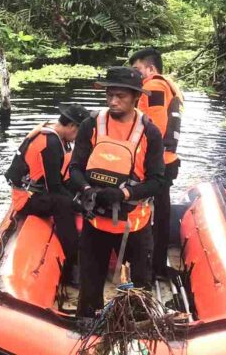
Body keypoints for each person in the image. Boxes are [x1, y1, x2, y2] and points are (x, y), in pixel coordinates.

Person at [69, 67, 165, 318]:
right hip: (96, 223)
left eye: (120, 96)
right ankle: (87, 324)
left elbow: (157, 181)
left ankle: (138, 324)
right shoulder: (91, 125)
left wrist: (123, 195)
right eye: (109, 95)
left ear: (136, 97)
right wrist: (87, 189)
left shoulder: (150, 133)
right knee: (90, 286)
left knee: (139, 286)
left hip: (133, 226)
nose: (113, 101)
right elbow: (76, 168)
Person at [5, 104, 91, 283]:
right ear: (73, 127)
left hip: (39, 189)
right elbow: (54, 187)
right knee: (62, 204)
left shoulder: (53, 131)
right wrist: (79, 205)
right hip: (27, 198)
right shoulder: (50, 143)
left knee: (74, 188)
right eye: (79, 133)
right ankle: (73, 265)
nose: (78, 139)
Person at [130, 48, 183, 279]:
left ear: (150, 69)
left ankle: (155, 265)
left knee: (156, 212)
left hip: (156, 163)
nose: (135, 75)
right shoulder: (168, 85)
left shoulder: (153, 86)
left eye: (137, 70)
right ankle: (157, 263)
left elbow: (155, 127)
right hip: (166, 160)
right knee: (161, 211)